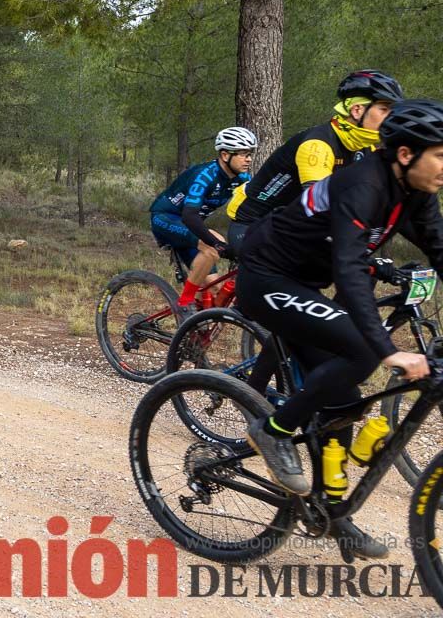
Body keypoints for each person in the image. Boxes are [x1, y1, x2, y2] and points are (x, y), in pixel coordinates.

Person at [236, 99, 443, 560]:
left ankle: (332, 514)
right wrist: (387, 349)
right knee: (363, 352)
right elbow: (349, 269)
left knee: (343, 403)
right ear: (407, 154)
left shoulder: (417, 195)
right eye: (442, 155)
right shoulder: (363, 182)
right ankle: (273, 430)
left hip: (306, 283)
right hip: (266, 277)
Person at [227, 70, 404, 249]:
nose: (390, 117)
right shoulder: (318, 145)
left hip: (289, 228)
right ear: (357, 110)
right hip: (252, 225)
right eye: (384, 109)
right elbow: (320, 206)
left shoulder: (366, 148)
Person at [149, 127, 256, 312]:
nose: (249, 159)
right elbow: (189, 216)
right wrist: (216, 243)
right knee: (213, 246)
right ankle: (185, 304)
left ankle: (193, 329)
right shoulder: (205, 176)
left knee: (214, 289)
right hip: (166, 219)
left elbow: (255, 206)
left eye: (250, 154)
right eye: (243, 154)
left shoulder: (242, 178)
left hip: (190, 226)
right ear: (224, 155)